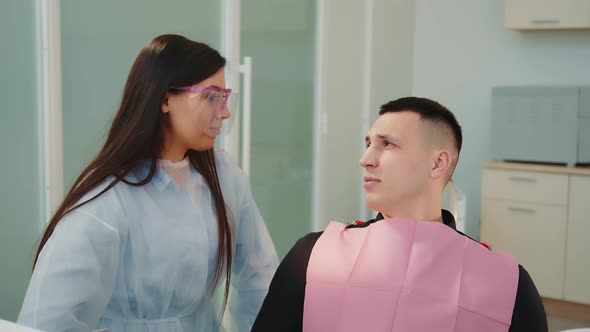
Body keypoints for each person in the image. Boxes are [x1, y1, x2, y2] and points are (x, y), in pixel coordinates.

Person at [18, 34, 278, 332]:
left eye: (224, 97)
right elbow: (48, 319)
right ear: (165, 99)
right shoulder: (108, 198)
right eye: (211, 96)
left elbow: (261, 276)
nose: (225, 111)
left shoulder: (224, 177)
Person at [252, 97, 548, 331]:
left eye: (387, 144)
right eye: (368, 144)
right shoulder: (313, 254)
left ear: (437, 164)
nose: (365, 159)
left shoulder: (507, 282)